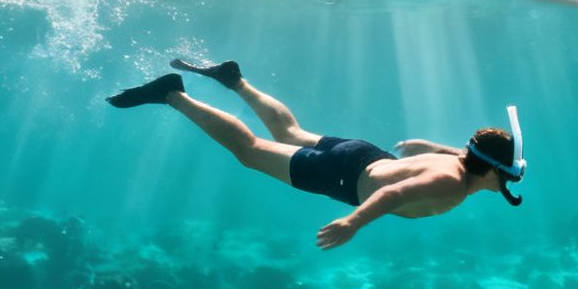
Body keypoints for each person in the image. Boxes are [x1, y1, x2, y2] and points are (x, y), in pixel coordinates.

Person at [106, 59, 525, 249]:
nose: (508, 181)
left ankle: (235, 81)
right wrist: (353, 221)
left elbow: (432, 149)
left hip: (362, 154)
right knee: (249, 151)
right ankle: (172, 95)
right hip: (342, 177)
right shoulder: (452, 184)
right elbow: (393, 196)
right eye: (507, 174)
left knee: (290, 131)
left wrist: (418, 148)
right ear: (490, 169)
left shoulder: (458, 159)